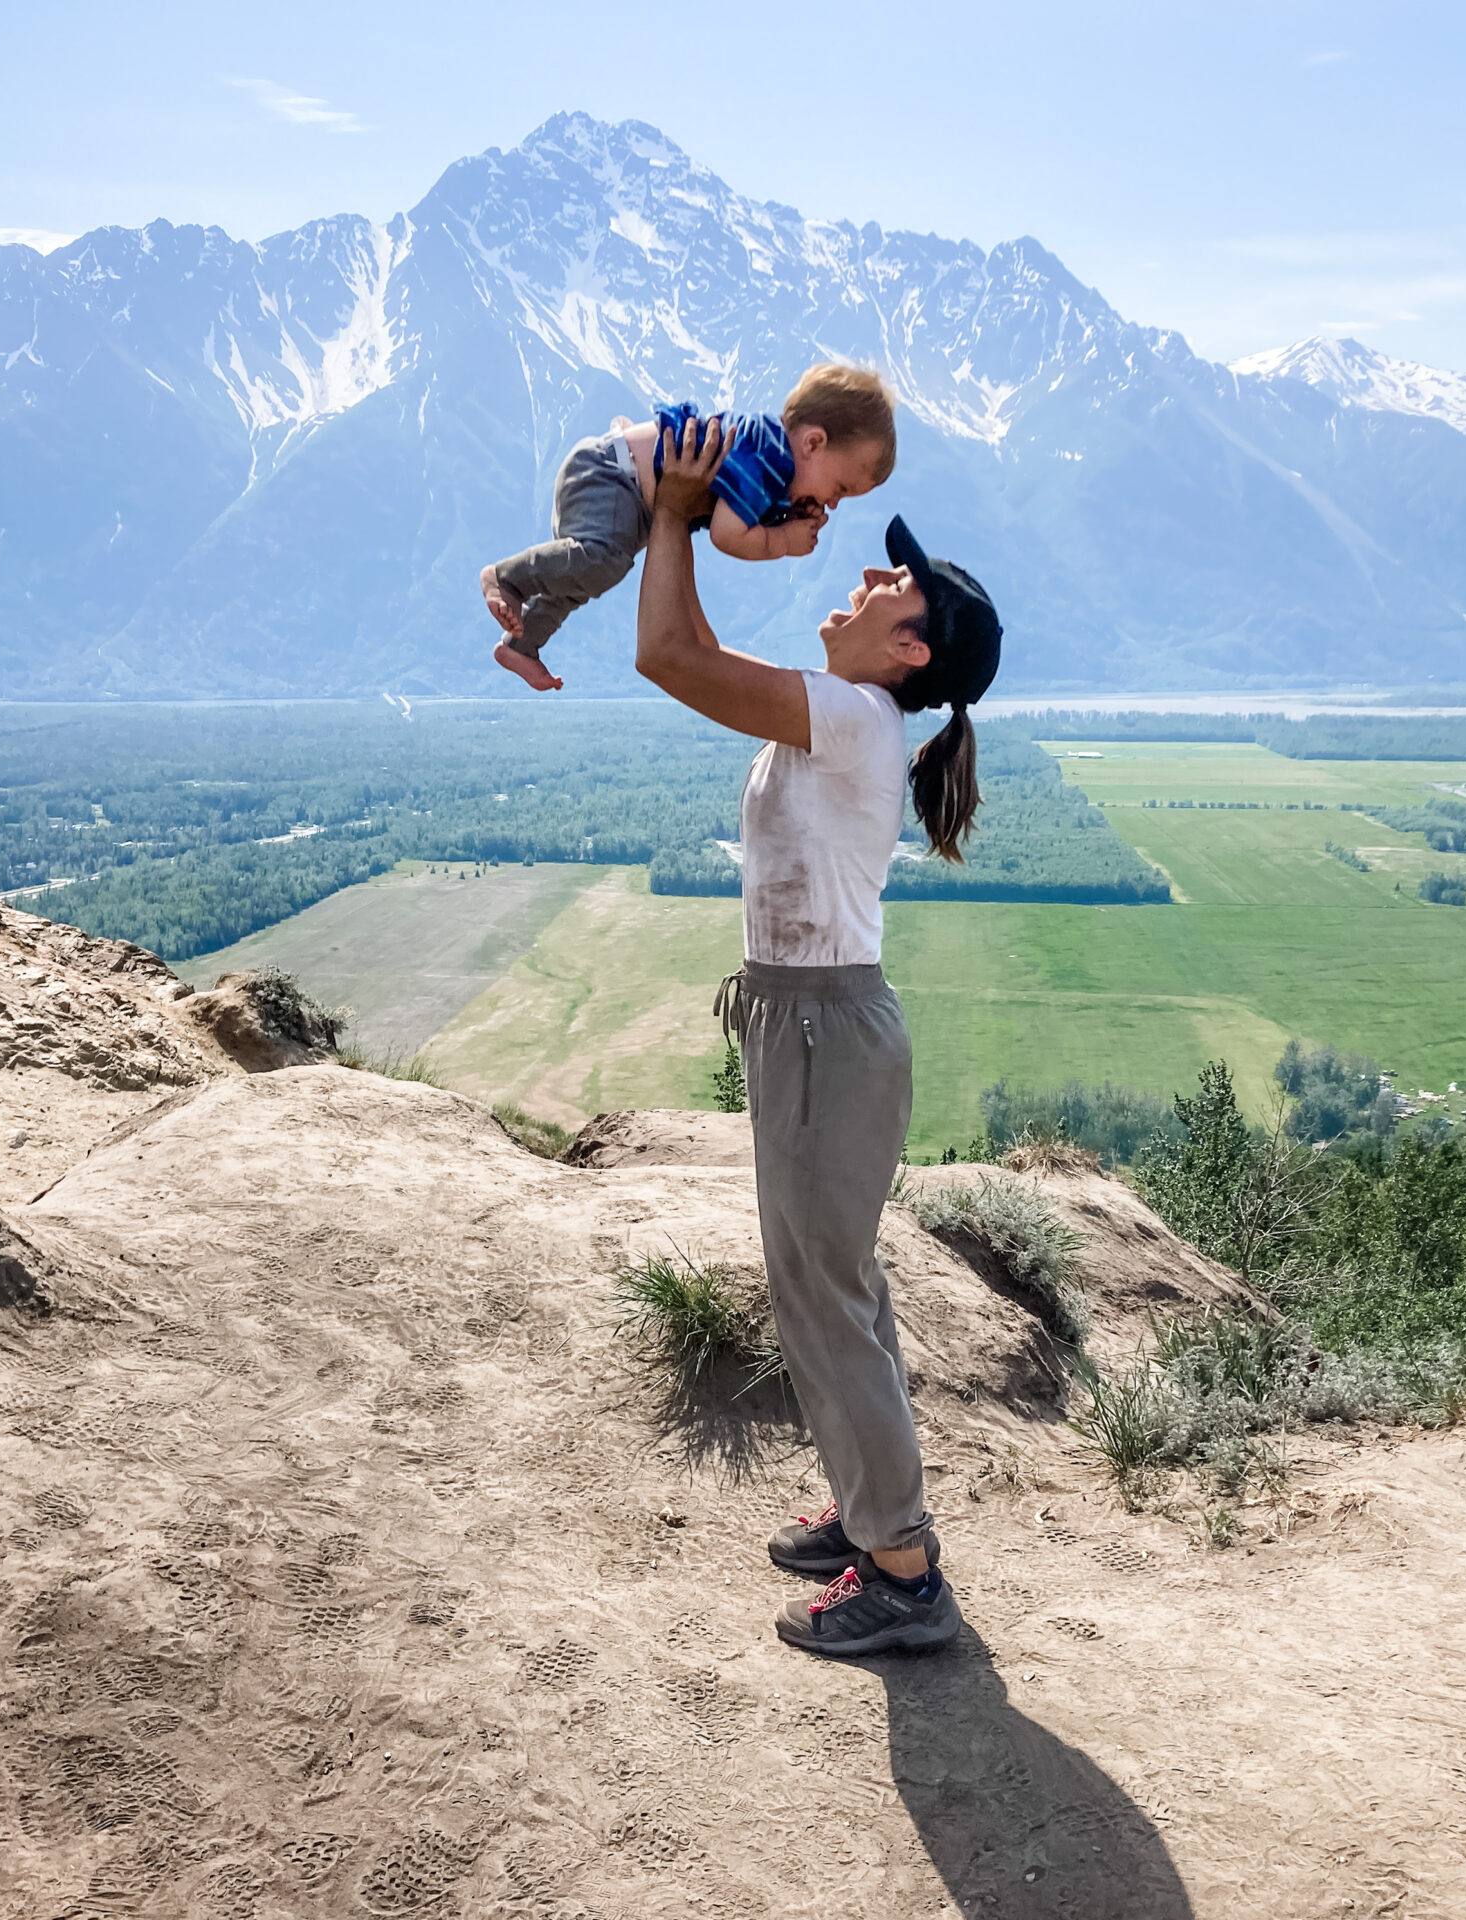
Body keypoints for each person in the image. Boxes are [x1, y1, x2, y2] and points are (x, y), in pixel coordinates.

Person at [634, 412, 1002, 1657]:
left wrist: (677, 511)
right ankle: (868, 1512)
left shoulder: (852, 720)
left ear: (908, 646)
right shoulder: (853, 710)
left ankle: (902, 1575)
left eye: (885, 581)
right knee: (824, 1288)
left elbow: (671, 656)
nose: (861, 575)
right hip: (808, 1024)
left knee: (826, 1299)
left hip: (825, 1035)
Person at [481, 364, 898, 691]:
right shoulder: (767, 455)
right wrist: (784, 540)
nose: (834, 503)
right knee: (601, 562)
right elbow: (727, 533)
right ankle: (506, 578)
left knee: (581, 581)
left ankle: (522, 645)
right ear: (813, 443)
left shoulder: (773, 470)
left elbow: (731, 510)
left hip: (632, 499)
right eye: (840, 487)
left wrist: (785, 516)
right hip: (613, 475)